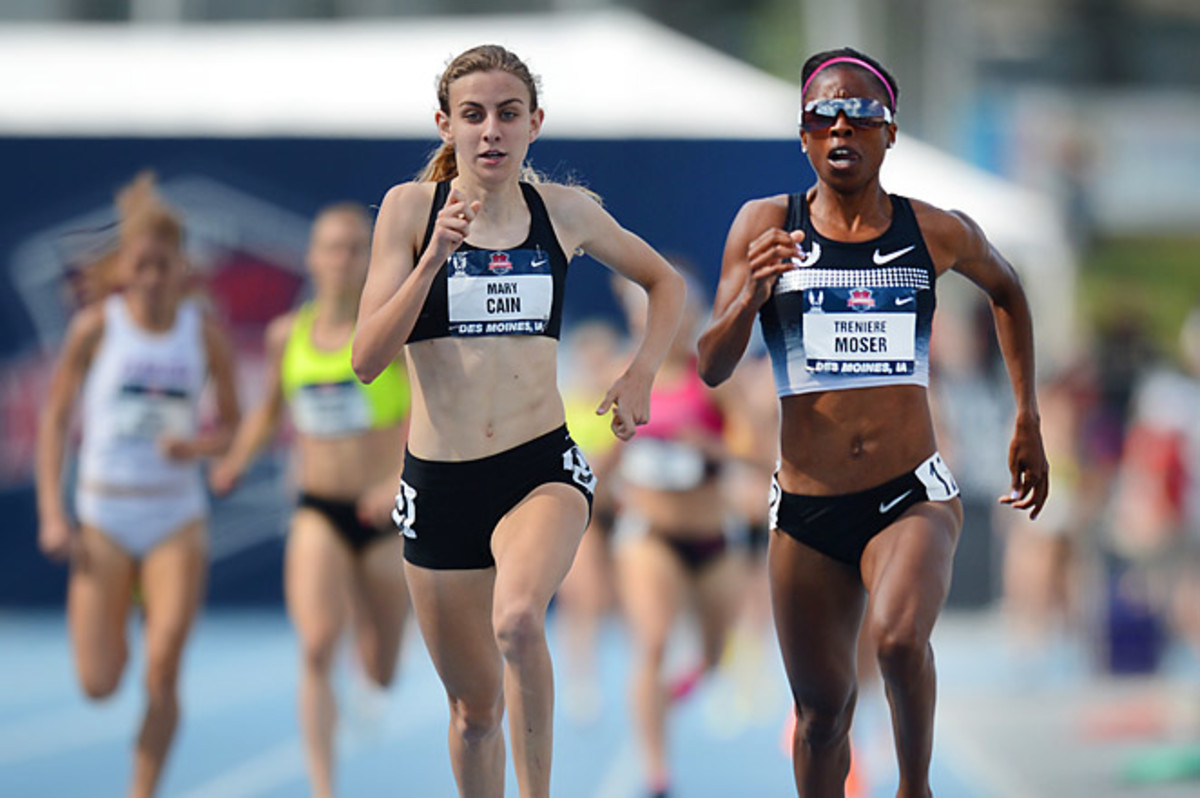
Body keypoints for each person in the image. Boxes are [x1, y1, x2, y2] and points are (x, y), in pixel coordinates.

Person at [696, 47, 1049, 797]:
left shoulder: (933, 231)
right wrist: (751, 294)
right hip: (806, 509)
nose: (842, 126)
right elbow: (711, 364)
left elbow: (1009, 291)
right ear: (803, 136)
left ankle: (913, 788)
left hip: (910, 492)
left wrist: (1028, 419)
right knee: (821, 716)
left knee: (894, 637)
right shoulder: (766, 226)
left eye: (861, 113)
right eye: (823, 115)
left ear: (892, 134)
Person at [350, 44, 686, 798]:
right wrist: (434, 258)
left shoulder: (563, 215)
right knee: (474, 714)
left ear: (535, 124)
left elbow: (665, 284)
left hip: (540, 468)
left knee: (518, 622)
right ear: (446, 126)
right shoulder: (411, 212)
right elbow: (367, 358)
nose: (491, 131)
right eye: (473, 116)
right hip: (438, 485)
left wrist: (640, 374)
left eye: (508, 115)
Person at [35, 172, 240, 798]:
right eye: (140, 265)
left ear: (183, 267)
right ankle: (119, 599)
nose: (151, 278)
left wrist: (197, 446)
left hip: (175, 518)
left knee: (163, 668)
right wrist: (53, 513)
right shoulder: (96, 329)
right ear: (123, 267)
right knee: (99, 683)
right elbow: (55, 421)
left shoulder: (201, 334)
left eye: (163, 265)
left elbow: (232, 426)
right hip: (105, 519)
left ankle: (141, 789)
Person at [209, 202, 411, 798]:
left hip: (382, 518)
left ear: (369, 258)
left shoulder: (389, 333)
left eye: (355, 247)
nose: (343, 259)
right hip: (318, 507)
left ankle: (368, 665)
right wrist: (235, 462)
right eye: (331, 247)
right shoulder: (286, 335)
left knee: (384, 669)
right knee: (317, 644)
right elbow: (269, 411)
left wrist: (396, 481)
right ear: (312, 258)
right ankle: (324, 787)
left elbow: (427, 415)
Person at [609, 269, 751, 798]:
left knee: (714, 656)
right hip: (650, 533)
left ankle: (673, 694)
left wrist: (708, 448)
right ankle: (656, 774)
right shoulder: (620, 373)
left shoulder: (712, 378)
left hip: (714, 535)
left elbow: (758, 451)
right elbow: (598, 453)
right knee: (653, 641)